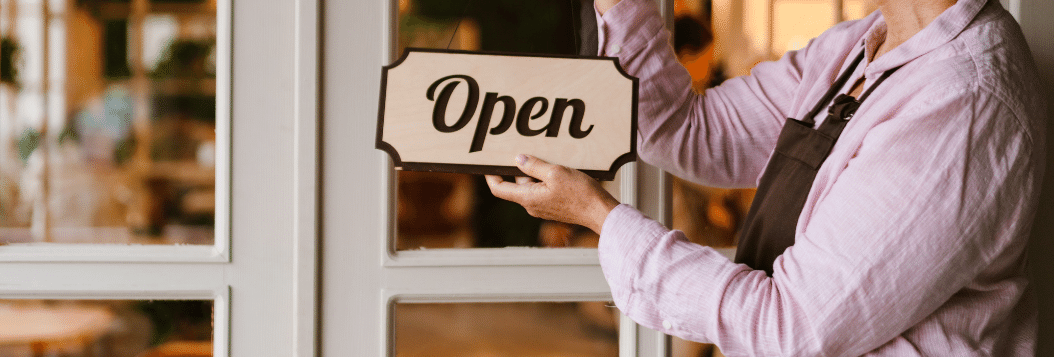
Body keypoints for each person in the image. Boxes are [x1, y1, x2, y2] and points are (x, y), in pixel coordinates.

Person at [485, 0, 1046, 355]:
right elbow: (692, 131)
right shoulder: (857, 47)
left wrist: (599, 218)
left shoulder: (963, 101)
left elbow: (793, 328)